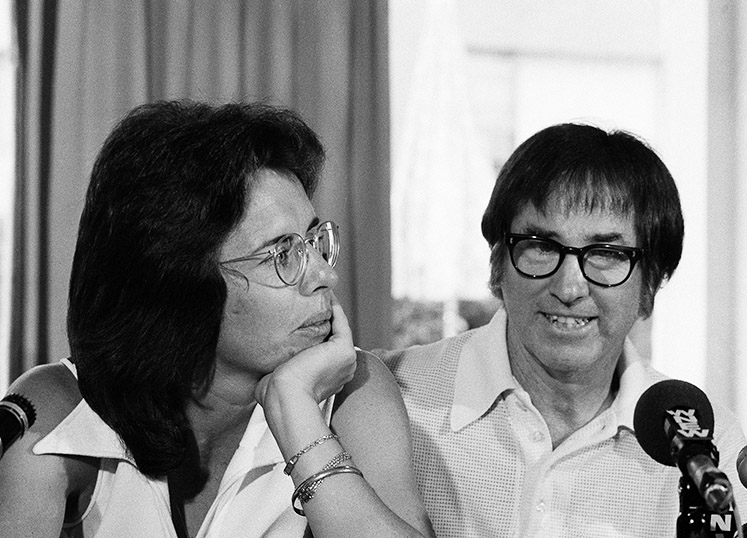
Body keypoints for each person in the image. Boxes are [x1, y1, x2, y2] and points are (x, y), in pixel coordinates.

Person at [0, 100, 434, 538]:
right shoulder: (59, 409)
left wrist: (297, 414)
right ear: (178, 282)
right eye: (283, 254)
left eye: (314, 241)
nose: (325, 273)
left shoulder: (350, 390)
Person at [377, 123, 747, 537]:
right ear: (497, 265)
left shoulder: (703, 438)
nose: (568, 287)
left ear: (649, 284)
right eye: (542, 246)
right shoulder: (392, 396)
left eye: (606, 254)